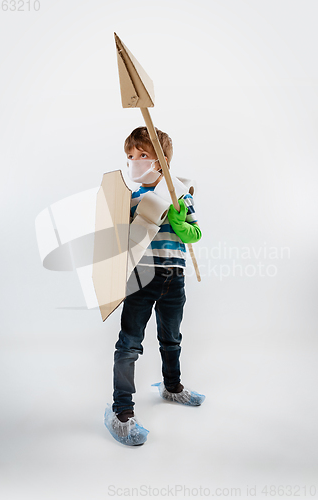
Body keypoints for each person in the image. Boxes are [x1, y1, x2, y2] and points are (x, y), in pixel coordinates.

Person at [104, 126, 205, 446]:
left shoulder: (181, 195)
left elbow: (195, 235)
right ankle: (122, 411)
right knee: (129, 345)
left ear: (160, 161)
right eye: (130, 156)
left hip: (174, 280)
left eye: (142, 155)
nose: (134, 162)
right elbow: (116, 239)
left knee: (171, 339)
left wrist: (179, 221)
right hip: (140, 279)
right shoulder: (130, 199)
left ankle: (172, 388)